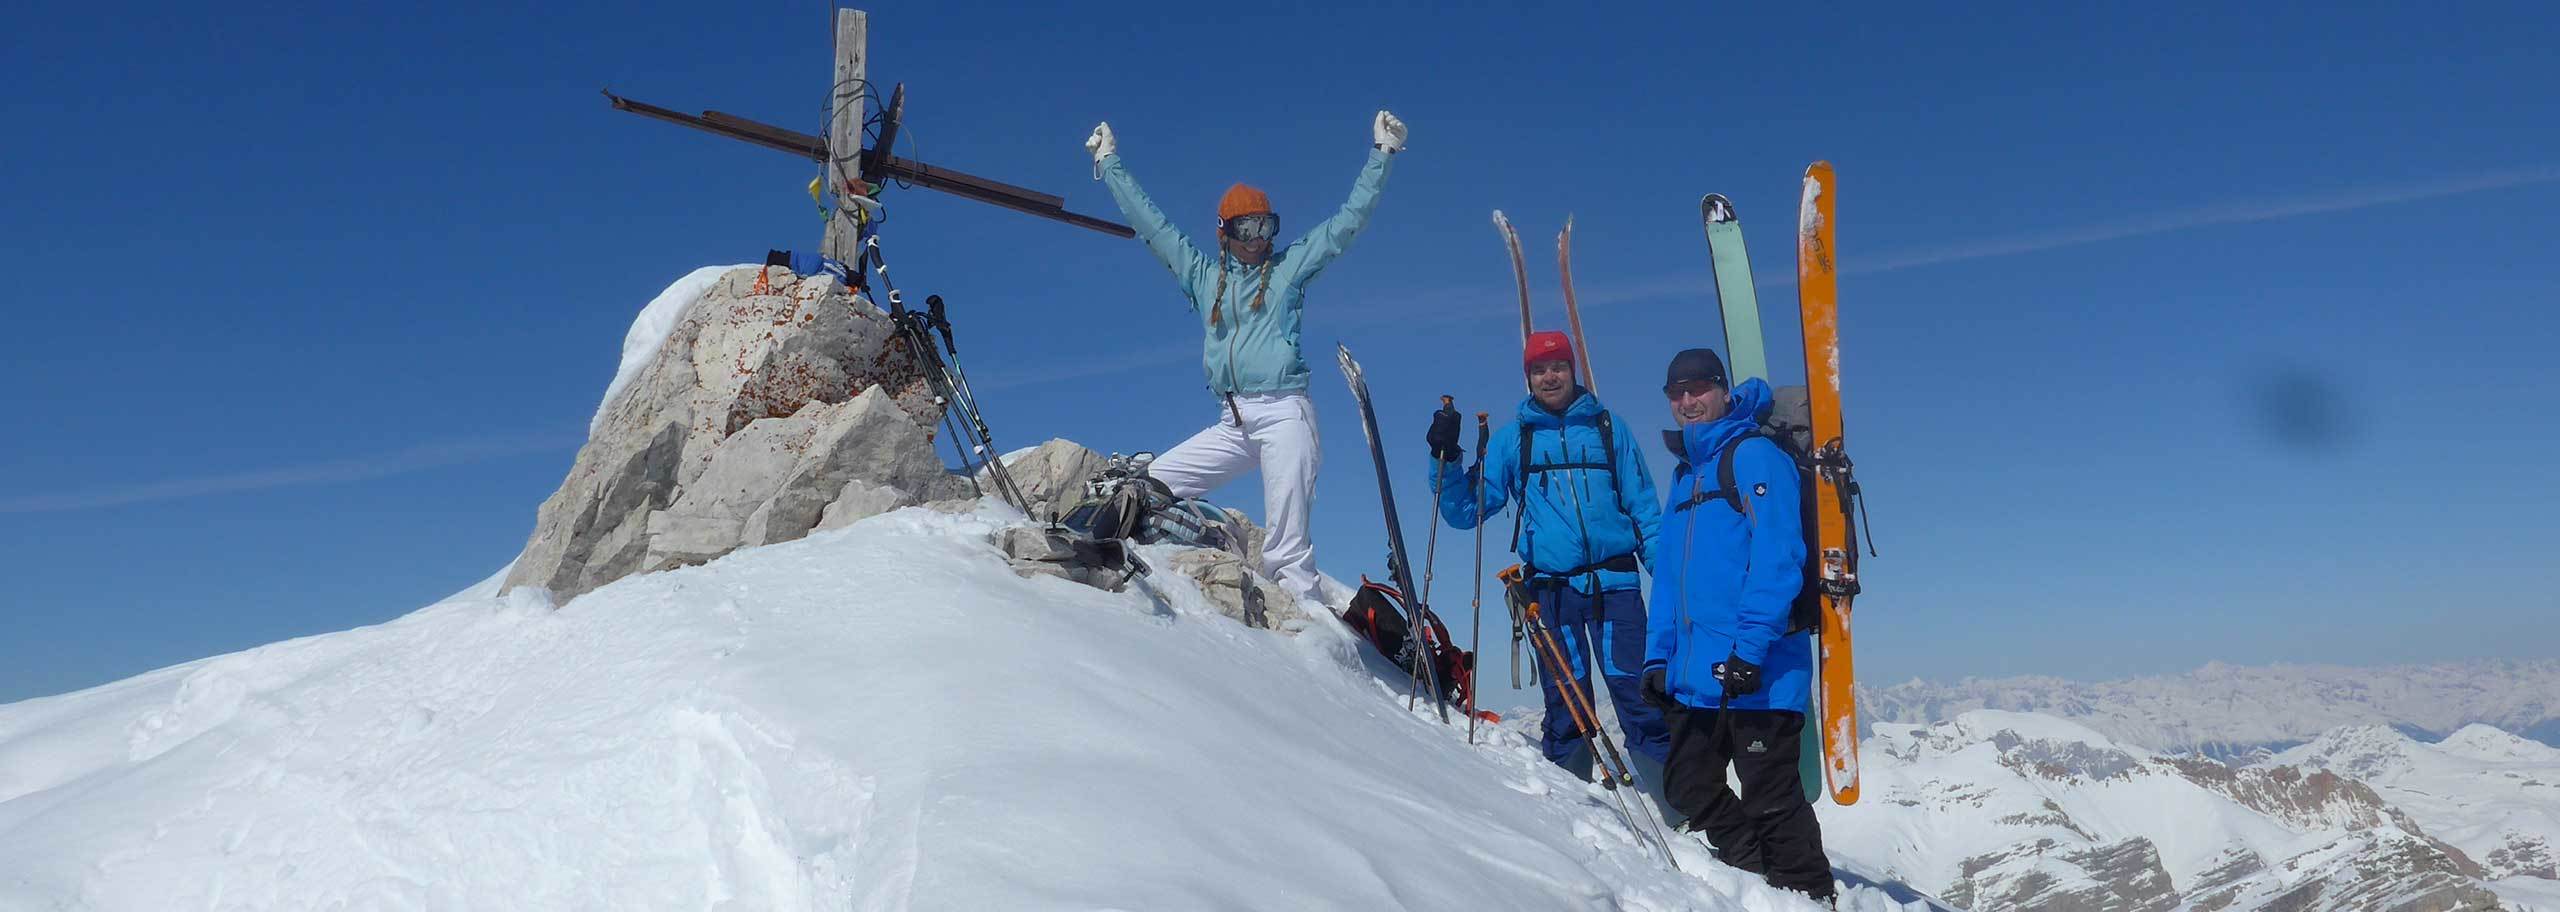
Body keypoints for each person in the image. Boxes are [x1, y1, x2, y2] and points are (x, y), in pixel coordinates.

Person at [1082, 111, 1406, 606]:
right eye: (1248, 227)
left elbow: (1345, 224)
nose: (1259, 238)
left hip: (1285, 414)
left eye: (1266, 226)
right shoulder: (1203, 276)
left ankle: (1305, 629)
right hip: (1232, 422)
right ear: (1225, 232)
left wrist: (1382, 155)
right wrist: (1110, 163)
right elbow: (1153, 225)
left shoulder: (1288, 268)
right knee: (1148, 488)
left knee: (1286, 552)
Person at [1424, 331, 1668, 779]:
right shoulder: (1513, 439)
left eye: (1558, 367)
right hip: (1551, 594)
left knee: (1642, 699)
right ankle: (1569, 809)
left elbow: (1646, 512)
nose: (1550, 376)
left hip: (1617, 586)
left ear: (1573, 370)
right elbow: (1465, 510)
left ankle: (1676, 807)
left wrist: (1671, 584)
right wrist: (1446, 459)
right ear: (1528, 377)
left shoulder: (1609, 428)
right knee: (1566, 707)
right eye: (1539, 370)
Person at [1641, 348, 1833, 903]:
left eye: (1699, 388)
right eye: (1676, 392)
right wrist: (1658, 657)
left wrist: (1749, 650)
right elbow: (1669, 580)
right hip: (1697, 676)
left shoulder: (1754, 456)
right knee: (1688, 784)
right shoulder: (1685, 475)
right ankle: (1757, 882)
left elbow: (1779, 559)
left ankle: (1810, 895)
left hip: (1760, 672)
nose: (1687, 400)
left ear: (1724, 390)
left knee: (1772, 801)